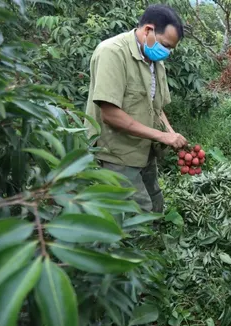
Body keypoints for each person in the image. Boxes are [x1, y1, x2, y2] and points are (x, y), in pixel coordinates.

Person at [86, 4, 188, 213]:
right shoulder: (112, 53)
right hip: (117, 152)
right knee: (134, 214)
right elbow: (111, 115)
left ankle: (154, 244)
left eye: (171, 48)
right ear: (148, 30)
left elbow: (156, 108)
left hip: (143, 149)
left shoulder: (155, 61)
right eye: (165, 45)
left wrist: (170, 133)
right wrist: (161, 136)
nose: (167, 52)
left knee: (155, 203)